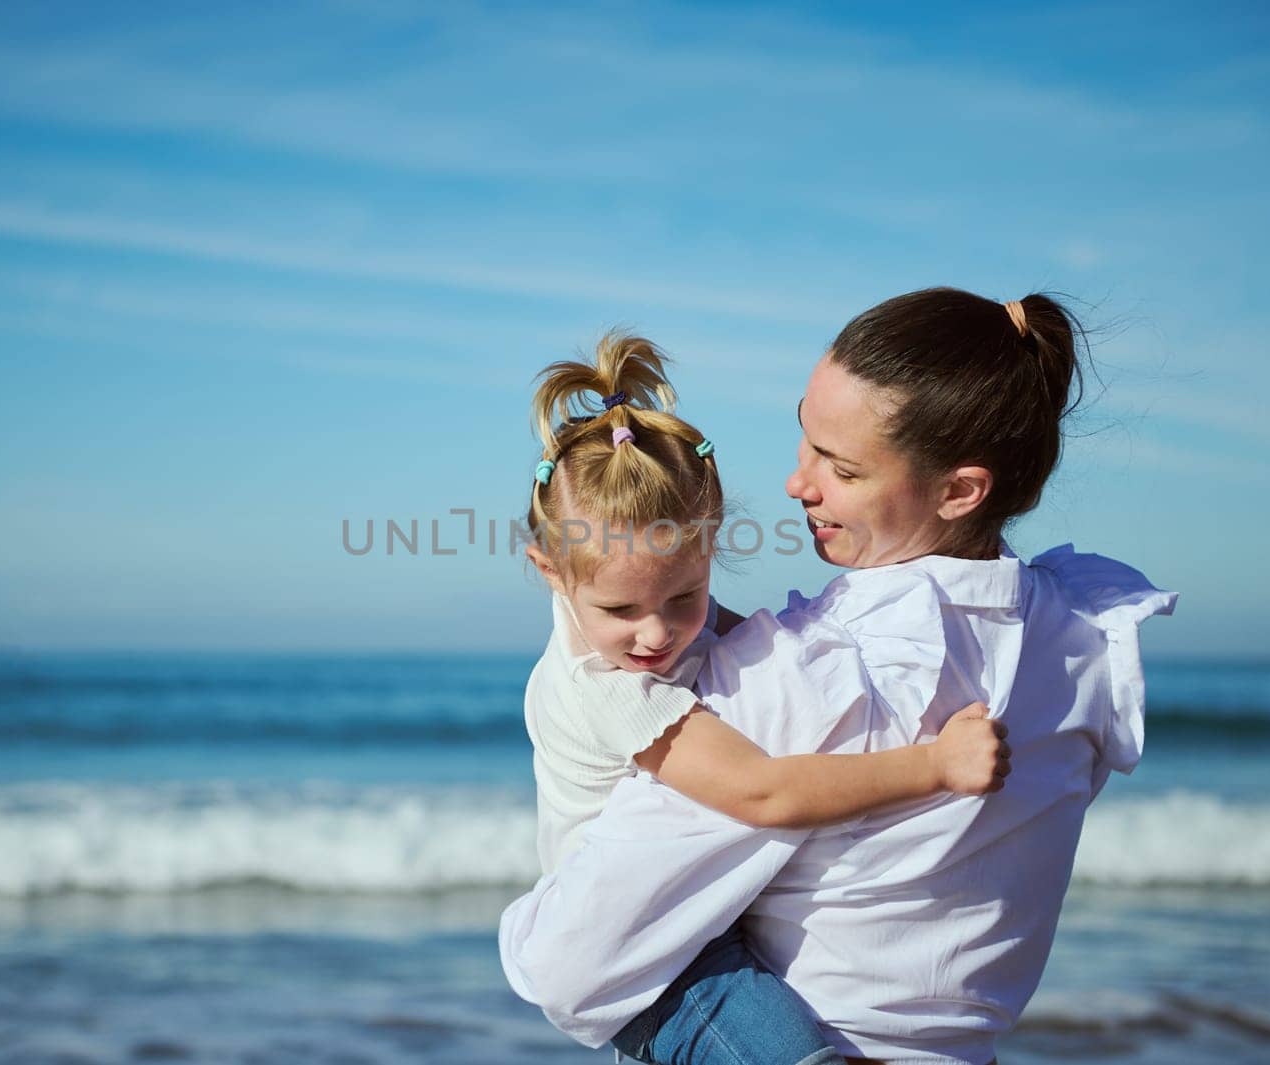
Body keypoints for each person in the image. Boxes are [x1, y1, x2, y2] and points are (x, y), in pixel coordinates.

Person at [500, 289, 1178, 1065]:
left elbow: (572, 968)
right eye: (806, 440)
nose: (798, 484)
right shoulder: (1085, 636)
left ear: (961, 489)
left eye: (842, 466)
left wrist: (521, 936)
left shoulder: (809, 675)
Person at [519, 331, 1012, 1065]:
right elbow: (761, 791)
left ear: (711, 546)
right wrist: (936, 765)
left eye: (685, 595)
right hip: (653, 962)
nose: (657, 633)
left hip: (696, 917)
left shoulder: (617, 591)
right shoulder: (608, 687)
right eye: (622, 611)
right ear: (550, 572)